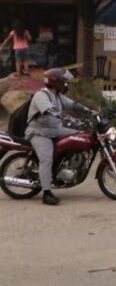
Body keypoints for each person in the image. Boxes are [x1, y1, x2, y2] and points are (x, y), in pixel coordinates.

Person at [25, 69, 80, 205]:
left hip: (55, 130)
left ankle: (62, 166)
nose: (66, 84)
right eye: (64, 81)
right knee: (46, 159)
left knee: (79, 136)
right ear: (56, 82)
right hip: (39, 132)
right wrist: (74, 120)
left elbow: (73, 104)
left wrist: (93, 113)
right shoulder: (41, 96)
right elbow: (51, 111)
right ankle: (47, 193)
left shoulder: (57, 96)